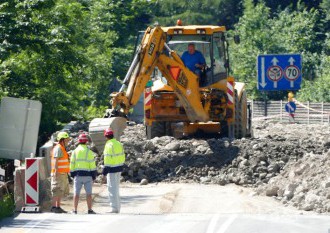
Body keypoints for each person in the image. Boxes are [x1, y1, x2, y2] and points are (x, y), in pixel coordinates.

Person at [69, 133, 97, 214]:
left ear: (79, 141)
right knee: (89, 194)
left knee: (76, 193)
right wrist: (93, 176)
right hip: (88, 176)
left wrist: (72, 174)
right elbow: (92, 165)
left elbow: (72, 164)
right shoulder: (89, 152)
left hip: (78, 175)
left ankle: (75, 210)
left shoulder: (74, 152)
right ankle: (89, 210)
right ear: (86, 142)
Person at [102, 128, 125, 213]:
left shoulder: (108, 145)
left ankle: (114, 208)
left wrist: (104, 173)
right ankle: (118, 207)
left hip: (111, 169)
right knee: (116, 188)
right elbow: (123, 156)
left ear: (106, 136)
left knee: (112, 189)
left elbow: (107, 160)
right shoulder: (118, 143)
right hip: (119, 168)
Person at [50, 131, 71, 213]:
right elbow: (56, 160)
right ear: (62, 140)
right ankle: (54, 207)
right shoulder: (58, 148)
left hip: (62, 173)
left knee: (59, 190)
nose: (67, 141)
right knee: (56, 189)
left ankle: (57, 207)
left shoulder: (61, 148)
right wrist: (55, 171)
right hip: (58, 173)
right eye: (66, 140)